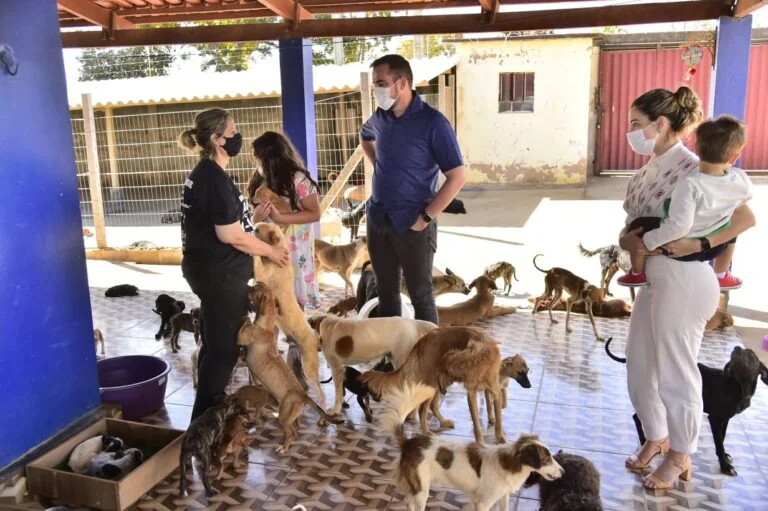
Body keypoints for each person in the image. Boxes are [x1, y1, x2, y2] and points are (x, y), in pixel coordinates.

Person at [618, 87, 756, 489]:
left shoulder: (698, 169)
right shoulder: (648, 169)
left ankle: (682, 453)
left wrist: (698, 244)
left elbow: (744, 218)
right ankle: (658, 436)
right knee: (640, 363)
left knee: (677, 372)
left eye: (636, 125)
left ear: (661, 125)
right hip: (655, 276)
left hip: (684, 276)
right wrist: (629, 242)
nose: (632, 133)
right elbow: (636, 225)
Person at [178, 108, 289, 421]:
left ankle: (204, 417)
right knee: (224, 351)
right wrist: (269, 250)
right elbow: (231, 236)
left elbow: (227, 224)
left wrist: (251, 219)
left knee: (215, 346)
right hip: (219, 275)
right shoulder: (211, 178)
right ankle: (204, 423)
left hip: (215, 271)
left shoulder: (209, 174)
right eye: (233, 130)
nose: (238, 135)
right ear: (216, 139)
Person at [359, 54, 466, 324]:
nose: (377, 90)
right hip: (378, 220)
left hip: (413, 222)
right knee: (386, 294)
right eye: (375, 85)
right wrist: (379, 164)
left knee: (421, 295)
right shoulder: (380, 117)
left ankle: (427, 363)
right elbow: (365, 134)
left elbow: (457, 176)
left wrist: (426, 217)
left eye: (381, 83)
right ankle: (391, 359)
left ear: (402, 82)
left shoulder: (433, 122)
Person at [618, 115, 752, 287]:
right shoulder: (739, 181)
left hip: (681, 246)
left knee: (639, 223)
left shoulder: (690, 185)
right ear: (734, 158)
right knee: (730, 222)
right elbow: (746, 202)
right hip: (717, 246)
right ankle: (721, 273)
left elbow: (679, 226)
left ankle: (637, 274)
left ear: (697, 149)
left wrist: (649, 241)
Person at [246, 131, 322, 310]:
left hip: (293, 248)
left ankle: (295, 336)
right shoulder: (261, 179)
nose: (255, 161)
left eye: (257, 157)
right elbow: (253, 213)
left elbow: (315, 213)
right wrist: (256, 219)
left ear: (270, 157)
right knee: (271, 298)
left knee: (293, 299)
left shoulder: (298, 179)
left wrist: (280, 217)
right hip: (268, 245)